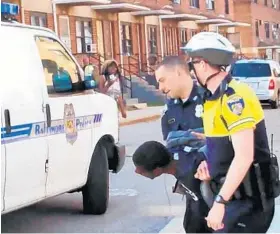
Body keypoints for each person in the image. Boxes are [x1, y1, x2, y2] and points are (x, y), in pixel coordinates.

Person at [182, 32, 277, 232]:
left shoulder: (235, 98)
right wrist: (207, 161)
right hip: (232, 199)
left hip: (248, 203)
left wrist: (219, 203)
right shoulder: (213, 99)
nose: (191, 72)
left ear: (203, 64)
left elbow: (244, 157)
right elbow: (221, 145)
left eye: (192, 65)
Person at [135, 56, 211, 233]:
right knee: (192, 227)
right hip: (189, 186)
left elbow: (222, 141)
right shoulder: (169, 109)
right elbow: (170, 145)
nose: (160, 88)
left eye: (162, 80)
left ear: (178, 73)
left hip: (214, 185)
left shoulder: (208, 99)